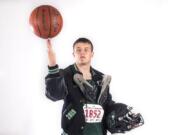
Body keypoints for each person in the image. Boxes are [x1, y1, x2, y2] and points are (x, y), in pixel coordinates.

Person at [45, 37, 144, 135]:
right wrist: (53, 66)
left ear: (92, 54)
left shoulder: (101, 78)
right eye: (78, 50)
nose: (82, 52)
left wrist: (119, 112)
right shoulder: (66, 74)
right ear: (73, 54)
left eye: (86, 50)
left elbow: (106, 103)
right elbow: (54, 94)